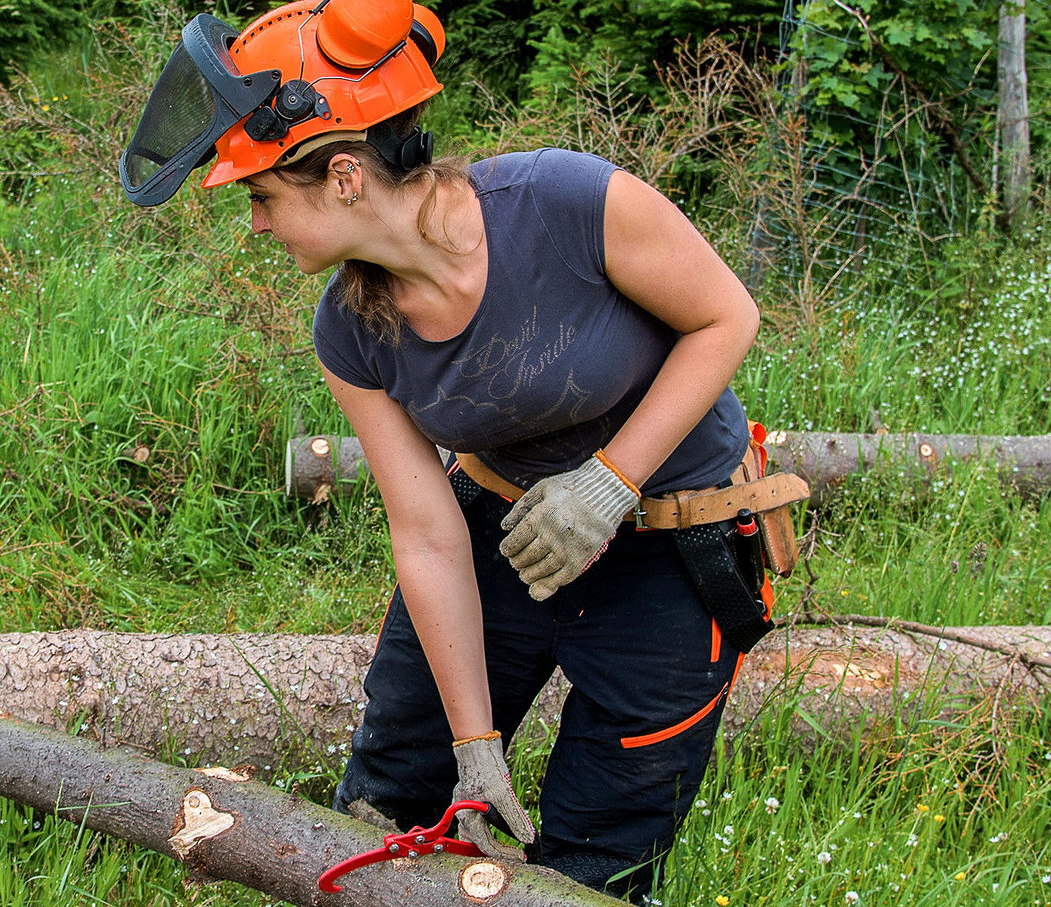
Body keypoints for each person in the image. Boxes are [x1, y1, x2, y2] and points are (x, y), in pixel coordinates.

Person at [121, 0, 804, 899]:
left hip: (670, 544)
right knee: (393, 787)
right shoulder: (350, 332)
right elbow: (428, 530)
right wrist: (475, 749)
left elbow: (726, 317)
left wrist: (608, 482)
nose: (256, 225)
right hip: (503, 530)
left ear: (343, 177)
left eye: (261, 196)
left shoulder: (566, 202)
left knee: (603, 850)